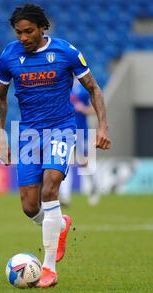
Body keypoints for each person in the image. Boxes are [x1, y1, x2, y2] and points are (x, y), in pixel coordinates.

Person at [0, 4, 110, 288]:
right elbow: (0, 98)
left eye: (29, 31)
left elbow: (93, 88)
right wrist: (0, 135)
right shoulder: (9, 55)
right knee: (29, 206)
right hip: (28, 135)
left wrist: (103, 127)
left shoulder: (66, 52)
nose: (23, 37)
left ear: (42, 28)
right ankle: (59, 225)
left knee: (50, 188)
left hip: (61, 129)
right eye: (19, 32)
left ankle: (48, 268)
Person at [59, 79, 101, 207]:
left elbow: (95, 109)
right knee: (66, 163)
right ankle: (65, 197)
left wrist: (84, 109)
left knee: (83, 163)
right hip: (65, 132)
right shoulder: (64, 87)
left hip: (81, 131)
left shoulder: (83, 89)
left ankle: (94, 186)